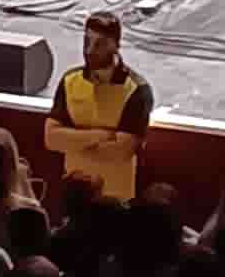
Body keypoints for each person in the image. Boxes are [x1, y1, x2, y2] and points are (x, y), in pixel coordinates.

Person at [44, 11, 153, 201]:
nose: (89, 50)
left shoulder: (136, 90)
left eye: (100, 44)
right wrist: (103, 136)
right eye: (87, 41)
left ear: (116, 45)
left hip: (116, 202)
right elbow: (52, 139)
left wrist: (73, 143)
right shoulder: (70, 80)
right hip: (75, 199)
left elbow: (122, 151)